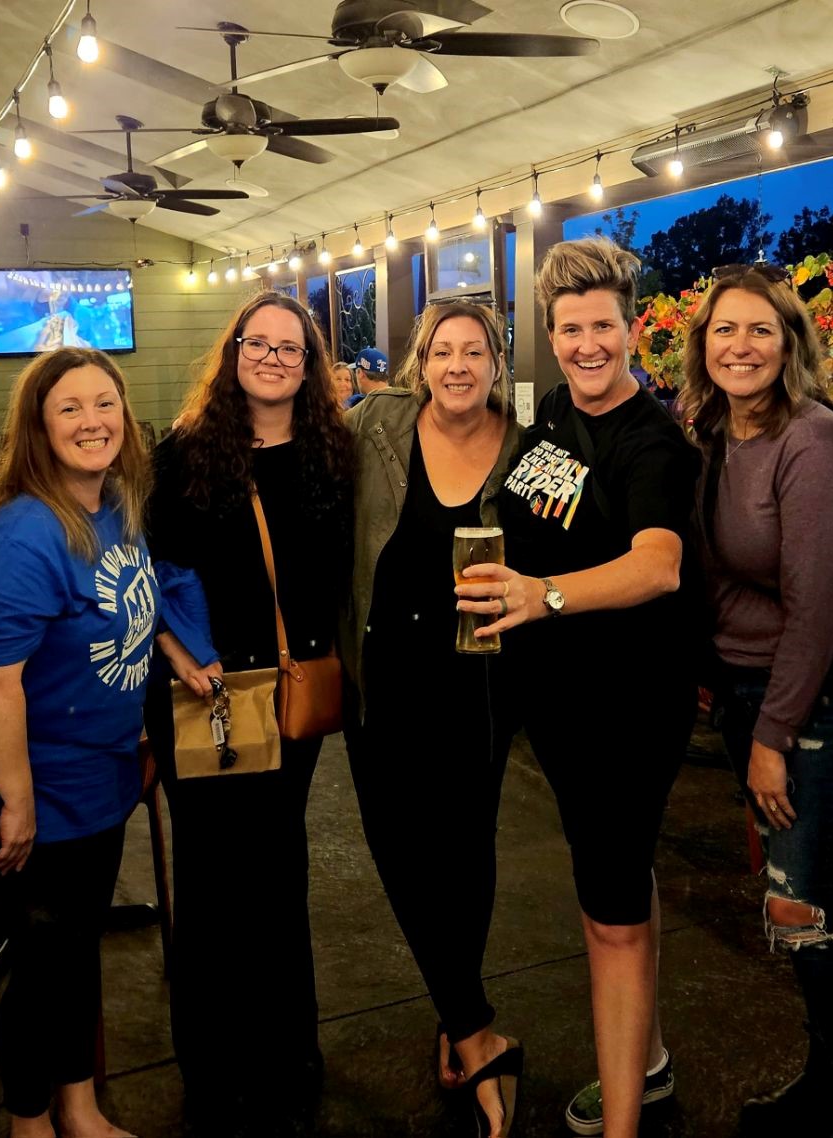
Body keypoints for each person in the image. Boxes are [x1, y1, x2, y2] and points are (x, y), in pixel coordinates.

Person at [456, 237, 702, 1138]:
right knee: (620, 886)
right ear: (549, 337)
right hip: (556, 709)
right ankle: (652, 1061)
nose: (586, 343)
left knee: (608, 918)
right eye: (568, 328)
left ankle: (627, 1123)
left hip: (625, 709)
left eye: (602, 325)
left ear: (631, 330)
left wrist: (542, 596)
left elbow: (657, 566)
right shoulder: (548, 419)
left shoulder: (654, 441)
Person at [677, 265, 833, 1133]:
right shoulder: (711, 433)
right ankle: (826, 1080)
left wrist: (772, 732)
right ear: (701, 347)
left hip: (803, 703)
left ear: (789, 342)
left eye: (759, 330)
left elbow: (817, 608)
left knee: (805, 906)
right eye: (724, 330)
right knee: (793, 904)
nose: (740, 345)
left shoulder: (812, 438)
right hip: (740, 691)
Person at [146, 291, 356, 1127]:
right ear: (232, 354)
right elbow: (145, 567)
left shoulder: (330, 454)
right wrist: (172, 651)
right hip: (206, 699)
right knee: (210, 879)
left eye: (289, 347)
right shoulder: (185, 453)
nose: (272, 357)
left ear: (310, 366)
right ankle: (210, 1064)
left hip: (290, 696)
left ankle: (286, 1051)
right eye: (256, 343)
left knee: (276, 873)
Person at [0, 348, 154, 1138]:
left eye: (103, 403)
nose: (91, 421)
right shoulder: (21, 537)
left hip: (100, 781)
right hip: (39, 794)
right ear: (37, 428)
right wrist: (17, 801)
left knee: (73, 957)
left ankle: (79, 1106)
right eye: (69, 407)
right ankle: (29, 1123)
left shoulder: (115, 508)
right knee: (42, 972)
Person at [341, 300, 524, 1137]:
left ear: (496, 361)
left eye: (473, 351)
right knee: (398, 850)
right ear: (420, 362)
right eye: (442, 351)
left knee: (463, 854)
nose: (457, 365)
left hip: (476, 682)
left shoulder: (525, 451)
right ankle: (475, 1026)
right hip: (383, 677)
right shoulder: (374, 426)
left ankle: (459, 1019)